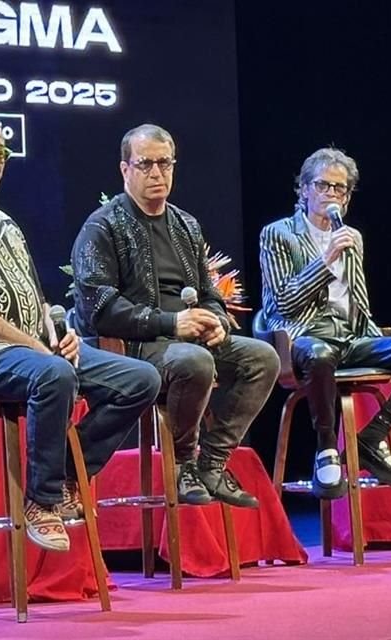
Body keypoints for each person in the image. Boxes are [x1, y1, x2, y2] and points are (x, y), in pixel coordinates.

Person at [0, 117, 161, 552]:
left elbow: (36, 301)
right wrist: (38, 348)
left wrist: (62, 335)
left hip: (36, 350)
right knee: (53, 374)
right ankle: (40, 502)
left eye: (1, 153)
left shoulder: (6, 224)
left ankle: (66, 478)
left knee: (141, 380)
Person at [71, 123, 279, 509]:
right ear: (125, 169)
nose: (156, 173)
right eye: (146, 164)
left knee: (263, 358)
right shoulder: (103, 226)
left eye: (164, 163)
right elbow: (97, 308)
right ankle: (184, 462)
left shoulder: (186, 224)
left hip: (189, 341)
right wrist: (169, 323)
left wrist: (214, 317)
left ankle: (212, 463)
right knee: (193, 360)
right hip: (136, 348)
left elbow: (208, 291)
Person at [259, 147, 391, 499]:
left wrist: (380, 341)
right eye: (323, 186)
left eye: (340, 189)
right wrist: (326, 257)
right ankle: (326, 448)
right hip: (304, 336)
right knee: (319, 354)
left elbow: (359, 301)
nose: (332, 194)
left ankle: (372, 436)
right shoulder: (277, 234)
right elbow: (283, 301)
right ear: (303, 189)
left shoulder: (352, 237)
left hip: (350, 338)